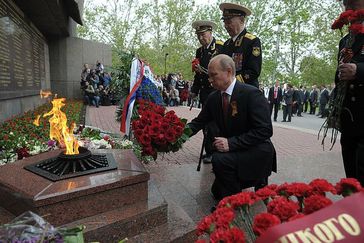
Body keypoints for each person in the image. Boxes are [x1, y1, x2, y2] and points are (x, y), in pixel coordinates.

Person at [187, 54, 276, 202]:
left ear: (228, 72)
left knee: (219, 161)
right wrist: (176, 135)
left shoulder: (252, 94)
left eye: (213, 75)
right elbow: (198, 123)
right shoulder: (214, 98)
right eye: (209, 76)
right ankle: (236, 191)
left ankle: (235, 203)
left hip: (255, 149)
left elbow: (265, 130)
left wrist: (231, 143)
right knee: (217, 191)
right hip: (234, 149)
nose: (210, 80)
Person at [328, 0, 364, 186]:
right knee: (351, 181)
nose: (349, 12)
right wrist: (335, 106)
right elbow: (339, 76)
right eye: (346, 6)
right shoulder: (346, 39)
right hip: (349, 121)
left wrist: (358, 70)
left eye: (353, 6)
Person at [191, 20, 224, 164]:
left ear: (210, 33)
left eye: (203, 34)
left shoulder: (221, 47)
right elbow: (198, 75)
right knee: (206, 123)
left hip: (216, 90)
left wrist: (203, 72)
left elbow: (220, 71)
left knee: (213, 123)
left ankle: (214, 151)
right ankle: (209, 150)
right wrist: (194, 90)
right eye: (198, 35)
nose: (200, 38)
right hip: (205, 93)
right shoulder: (200, 51)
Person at [219, 2, 262, 88]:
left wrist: (231, 83)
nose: (226, 26)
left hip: (246, 92)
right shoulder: (226, 44)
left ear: (242, 20)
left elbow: (253, 72)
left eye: (229, 22)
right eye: (225, 22)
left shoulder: (252, 41)